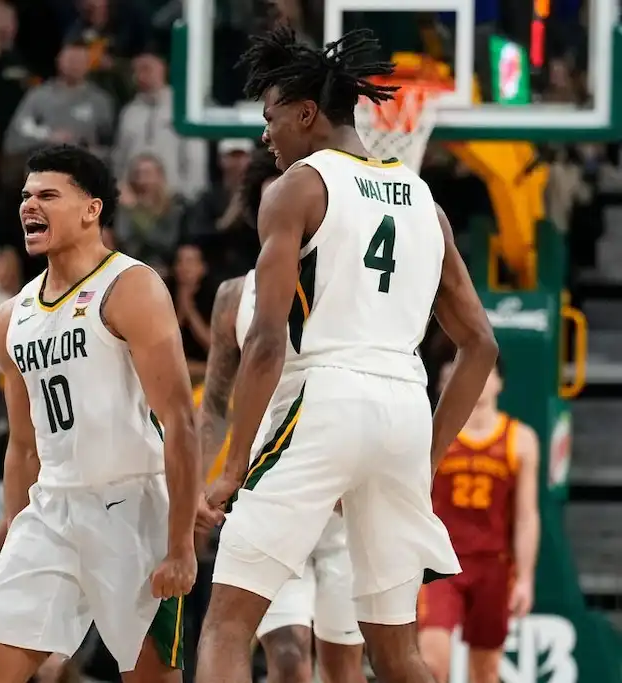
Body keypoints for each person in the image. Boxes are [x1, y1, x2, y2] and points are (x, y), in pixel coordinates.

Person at [194, 26, 499, 683]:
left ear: (306, 114)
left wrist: (233, 467)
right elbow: (481, 344)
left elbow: (269, 342)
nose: (265, 136)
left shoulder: (299, 187)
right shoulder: (427, 203)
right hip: (404, 406)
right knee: (397, 654)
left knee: (225, 623)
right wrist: (429, 455)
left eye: (270, 118)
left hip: (325, 396)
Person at [0, 144, 199, 683]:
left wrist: (181, 543)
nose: (29, 206)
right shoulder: (11, 317)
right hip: (52, 509)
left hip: (132, 507)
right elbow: (22, 444)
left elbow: (180, 421)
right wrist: (18, 530)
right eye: (25, 196)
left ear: (91, 210)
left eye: (47, 195)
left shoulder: (130, 286)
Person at [197, 148, 366, 683]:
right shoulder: (232, 297)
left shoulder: (350, 283)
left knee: (344, 671)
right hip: (273, 487)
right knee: (289, 663)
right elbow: (214, 411)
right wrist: (198, 489)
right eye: (276, 192)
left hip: (341, 496)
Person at [418, 359, 540, 683]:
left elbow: (527, 516)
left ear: (500, 383)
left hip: (493, 565)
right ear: (443, 386)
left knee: (485, 672)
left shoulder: (520, 439)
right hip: (440, 564)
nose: (477, 382)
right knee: (431, 662)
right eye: (454, 376)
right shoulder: (433, 436)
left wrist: (525, 579)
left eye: (486, 375)